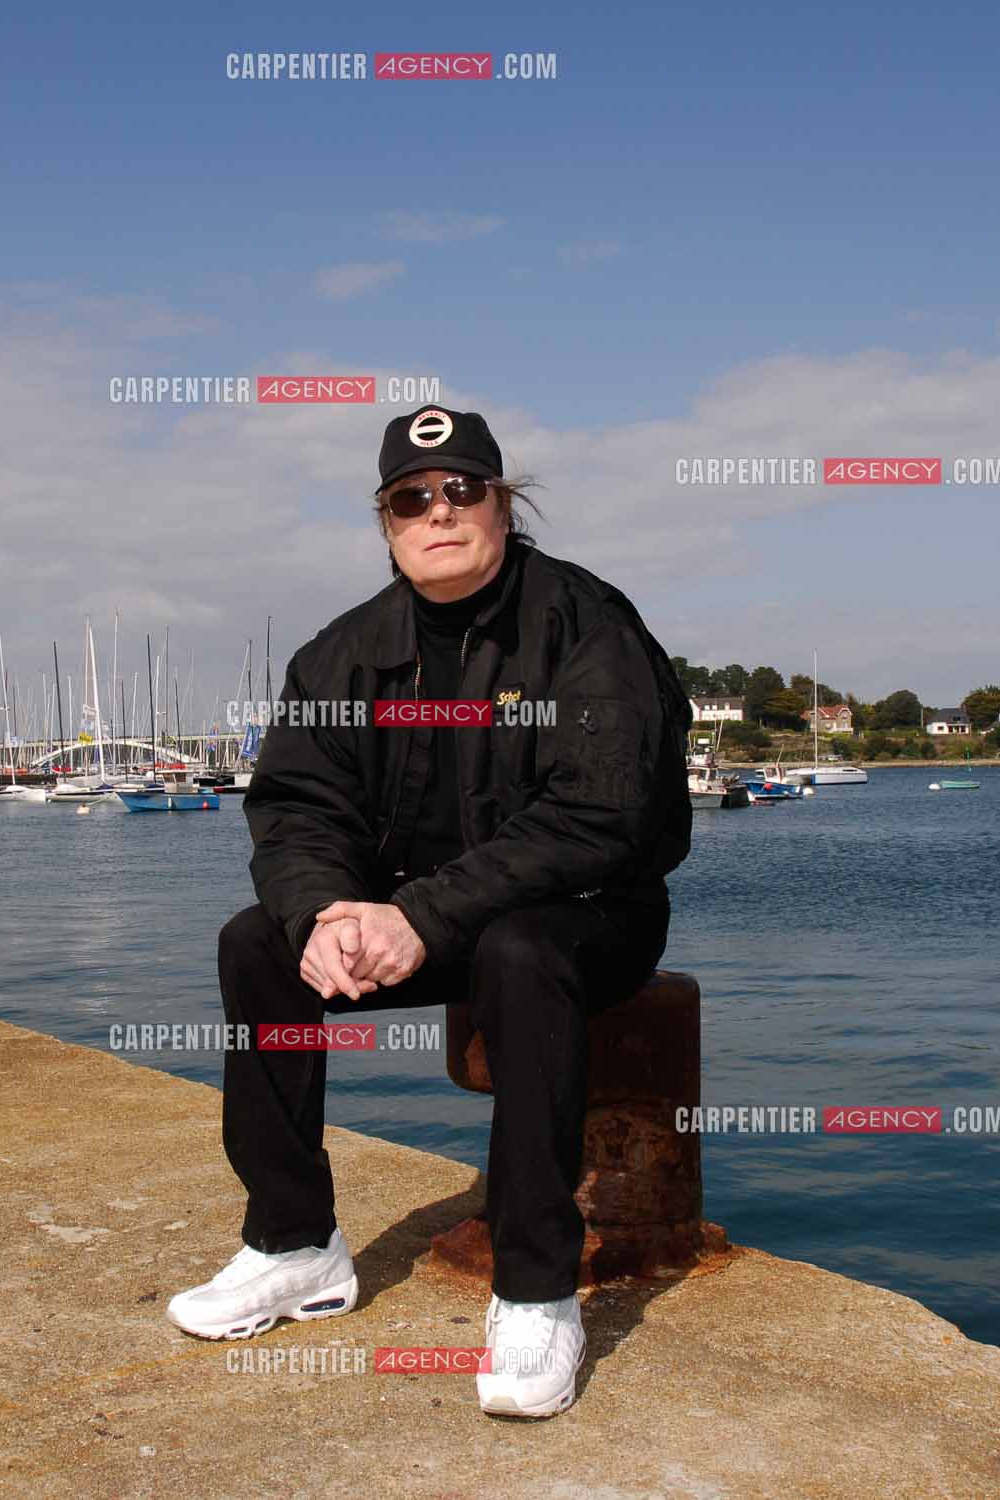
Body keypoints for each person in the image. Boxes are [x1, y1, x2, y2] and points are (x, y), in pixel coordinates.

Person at [166, 405, 692, 1418]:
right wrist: (324, 912)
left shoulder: (587, 625)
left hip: (586, 916)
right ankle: (293, 1244)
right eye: (411, 498)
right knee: (257, 943)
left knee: (522, 946)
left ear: (502, 503)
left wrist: (421, 914)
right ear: (385, 521)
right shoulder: (341, 657)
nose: (437, 511)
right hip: (428, 921)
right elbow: (297, 808)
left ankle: (537, 1291)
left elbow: (601, 815)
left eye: (461, 489)